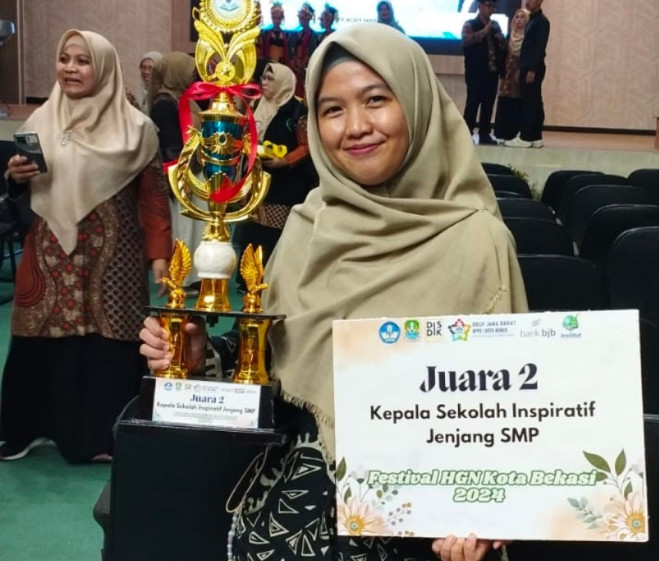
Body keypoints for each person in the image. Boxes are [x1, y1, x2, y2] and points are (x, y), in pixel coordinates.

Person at [140, 22, 525, 561]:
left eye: (376, 100)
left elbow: (504, 414)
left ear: (416, 103)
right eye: (332, 109)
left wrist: (484, 515)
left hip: (416, 528)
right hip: (289, 515)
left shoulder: (477, 240)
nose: (357, 127)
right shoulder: (307, 225)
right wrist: (203, 357)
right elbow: (273, 364)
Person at [0, 30, 171, 463]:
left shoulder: (136, 128)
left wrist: (160, 258)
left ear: (104, 67)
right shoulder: (41, 121)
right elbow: (24, 188)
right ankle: (30, 429)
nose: (71, 69)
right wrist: (14, 177)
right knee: (40, 338)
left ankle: (99, 436)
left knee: (106, 345)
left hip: (111, 258)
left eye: (82, 61)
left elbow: (152, 197)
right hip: (49, 253)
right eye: (64, 59)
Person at [233, 62, 317, 290]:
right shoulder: (257, 105)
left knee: (271, 239)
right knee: (251, 237)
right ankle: (249, 290)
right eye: (263, 78)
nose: (264, 82)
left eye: (270, 79)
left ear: (282, 82)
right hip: (257, 183)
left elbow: (307, 145)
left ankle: (269, 290)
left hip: (284, 187)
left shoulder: (296, 111)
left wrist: (285, 160)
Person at [148, 51, 202, 290]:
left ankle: (192, 276)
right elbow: (170, 147)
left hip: (191, 170)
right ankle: (182, 277)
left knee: (193, 225)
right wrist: (182, 179)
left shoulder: (180, 98)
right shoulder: (164, 103)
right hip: (179, 175)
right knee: (183, 226)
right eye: (189, 71)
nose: (193, 76)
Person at [504, 0, 549, 148]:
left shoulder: (542, 22)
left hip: (532, 67)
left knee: (530, 103)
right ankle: (535, 136)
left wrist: (532, 69)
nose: (528, 2)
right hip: (527, 66)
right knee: (534, 101)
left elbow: (539, 47)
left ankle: (525, 136)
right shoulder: (533, 20)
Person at [462, 0, 506, 145]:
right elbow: (466, 42)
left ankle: (485, 133)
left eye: (493, 6)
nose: (491, 9)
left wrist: (501, 40)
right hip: (475, 72)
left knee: (488, 104)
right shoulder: (470, 24)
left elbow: (503, 47)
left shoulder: (496, 25)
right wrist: (484, 31)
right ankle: (466, 133)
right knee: (473, 103)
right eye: (488, 6)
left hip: (492, 72)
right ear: (480, 6)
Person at [493, 8, 529, 142]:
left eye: (522, 17)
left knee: (516, 101)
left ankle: (513, 133)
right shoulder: (509, 36)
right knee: (504, 101)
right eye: (517, 17)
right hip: (507, 73)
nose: (519, 20)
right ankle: (501, 133)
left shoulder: (528, 37)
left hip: (519, 73)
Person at [286, 2, 322, 98]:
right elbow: (291, 50)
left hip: (304, 68)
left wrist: (301, 66)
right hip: (296, 66)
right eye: (300, 18)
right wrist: (293, 63)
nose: (300, 20)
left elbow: (311, 52)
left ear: (308, 19)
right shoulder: (296, 33)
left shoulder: (313, 35)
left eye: (302, 18)